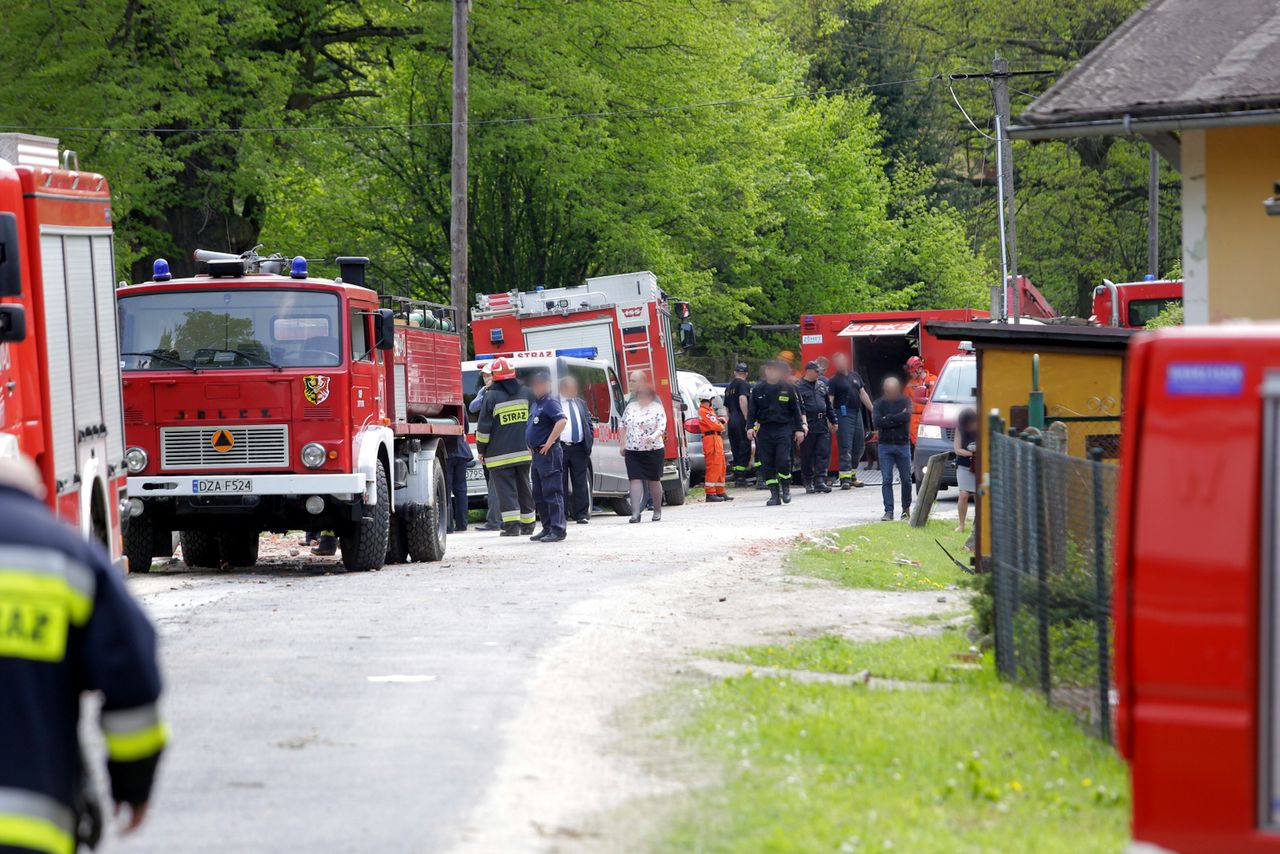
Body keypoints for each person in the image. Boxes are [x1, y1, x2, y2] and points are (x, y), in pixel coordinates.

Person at [0, 455, 166, 852]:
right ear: (37, 493)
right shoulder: (66, 556)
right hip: (26, 831)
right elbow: (134, 682)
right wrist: (132, 787)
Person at [475, 357, 537, 536]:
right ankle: (528, 525)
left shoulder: (491, 396)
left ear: (495, 377)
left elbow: (483, 429)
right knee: (525, 487)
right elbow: (535, 421)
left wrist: (481, 450)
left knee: (506, 491)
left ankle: (512, 528)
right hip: (524, 452)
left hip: (499, 455)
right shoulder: (527, 393)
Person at [748, 359, 805, 506]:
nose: (772, 372)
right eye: (769, 369)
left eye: (775, 369)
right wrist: (749, 427)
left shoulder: (787, 388)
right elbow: (752, 411)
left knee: (783, 460)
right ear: (766, 371)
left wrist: (799, 429)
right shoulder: (758, 390)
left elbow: (796, 411)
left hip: (783, 429)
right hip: (765, 429)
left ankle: (785, 487)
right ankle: (774, 494)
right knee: (767, 463)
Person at [526, 370, 569, 542]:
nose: (536, 388)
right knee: (539, 494)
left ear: (548, 385)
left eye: (540, 384)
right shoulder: (536, 403)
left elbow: (562, 421)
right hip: (537, 455)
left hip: (549, 454)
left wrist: (550, 441)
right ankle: (547, 527)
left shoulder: (550, 402)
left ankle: (558, 529)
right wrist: (529, 444)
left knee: (552, 491)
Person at [620, 376, 668, 522]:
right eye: (639, 395)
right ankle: (635, 513)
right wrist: (622, 444)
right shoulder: (631, 407)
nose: (642, 397)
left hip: (653, 450)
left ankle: (657, 510)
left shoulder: (657, 408)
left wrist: (653, 436)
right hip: (633, 450)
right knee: (634, 479)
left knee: (654, 480)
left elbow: (662, 426)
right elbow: (623, 425)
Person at [828, 351, 874, 489]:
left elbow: (863, 393)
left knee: (859, 446)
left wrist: (873, 410)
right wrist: (830, 419)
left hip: (856, 412)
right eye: (838, 362)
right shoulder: (834, 380)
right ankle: (845, 479)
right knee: (846, 446)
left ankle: (853, 475)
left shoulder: (855, 376)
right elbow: (830, 400)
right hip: (842, 413)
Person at [873, 376, 913, 520]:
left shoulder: (906, 401)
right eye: (888, 390)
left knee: (906, 479)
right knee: (886, 479)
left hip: (903, 444)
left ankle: (906, 509)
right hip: (885, 445)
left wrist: (888, 418)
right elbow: (877, 421)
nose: (891, 392)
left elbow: (906, 416)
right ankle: (888, 511)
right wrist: (897, 417)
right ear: (885, 390)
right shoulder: (878, 403)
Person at [469, 365, 503, 531]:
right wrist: (484, 392)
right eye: (484, 376)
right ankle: (497, 520)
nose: (486, 378)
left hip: (499, 444)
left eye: (489, 375)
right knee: (493, 483)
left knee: (499, 484)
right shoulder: (484, 392)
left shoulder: (502, 392)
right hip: (489, 445)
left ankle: (497, 521)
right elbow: (473, 407)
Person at [558, 375, 594, 524]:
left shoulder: (580, 403)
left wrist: (589, 442)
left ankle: (581, 514)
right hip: (560, 447)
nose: (575, 391)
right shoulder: (555, 403)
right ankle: (562, 514)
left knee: (580, 482)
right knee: (561, 482)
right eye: (571, 388)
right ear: (563, 388)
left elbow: (588, 423)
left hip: (579, 448)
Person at [796, 361, 836, 494]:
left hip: (821, 423)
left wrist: (833, 420)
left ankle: (820, 480)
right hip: (808, 424)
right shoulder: (799, 387)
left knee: (823, 453)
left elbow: (828, 405)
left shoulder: (822, 385)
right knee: (807, 455)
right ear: (808, 371)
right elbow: (796, 409)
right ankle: (808, 480)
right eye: (817, 371)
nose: (819, 374)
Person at [697, 387, 733, 503]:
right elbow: (716, 426)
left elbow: (716, 423)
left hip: (716, 438)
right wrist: (720, 423)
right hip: (710, 439)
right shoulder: (703, 411)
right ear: (709, 399)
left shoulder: (709, 411)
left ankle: (720, 490)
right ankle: (710, 493)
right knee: (713, 466)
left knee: (721, 465)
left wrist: (719, 421)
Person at [723, 362, 753, 485]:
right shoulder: (744, 384)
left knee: (735, 446)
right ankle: (741, 477)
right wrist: (747, 417)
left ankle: (736, 473)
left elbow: (726, 407)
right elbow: (742, 399)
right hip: (740, 417)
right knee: (744, 446)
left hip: (732, 419)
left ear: (735, 372)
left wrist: (729, 420)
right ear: (746, 374)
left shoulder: (729, 387)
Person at [905, 355, 938, 449]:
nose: (911, 374)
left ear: (919, 369)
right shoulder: (910, 383)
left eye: (912, 372)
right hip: (914, 418)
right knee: (917, 445)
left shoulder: (933, 380)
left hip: (929, 417)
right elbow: (904, 401)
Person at [954, 407, 978, 532]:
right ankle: (961, 524)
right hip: (964, 464)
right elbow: (957, 449)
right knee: (964, 494)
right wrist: (971, 453)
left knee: (979, 495)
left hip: (979, 466)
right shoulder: (960, 430)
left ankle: (977, 524)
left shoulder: (982, 428)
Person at [445, 434, 472, 534]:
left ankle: (448, 526)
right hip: (462, 450)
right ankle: (462, 525)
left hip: (447, 452)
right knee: (461, 490)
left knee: (446, 490)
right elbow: (465, 427)